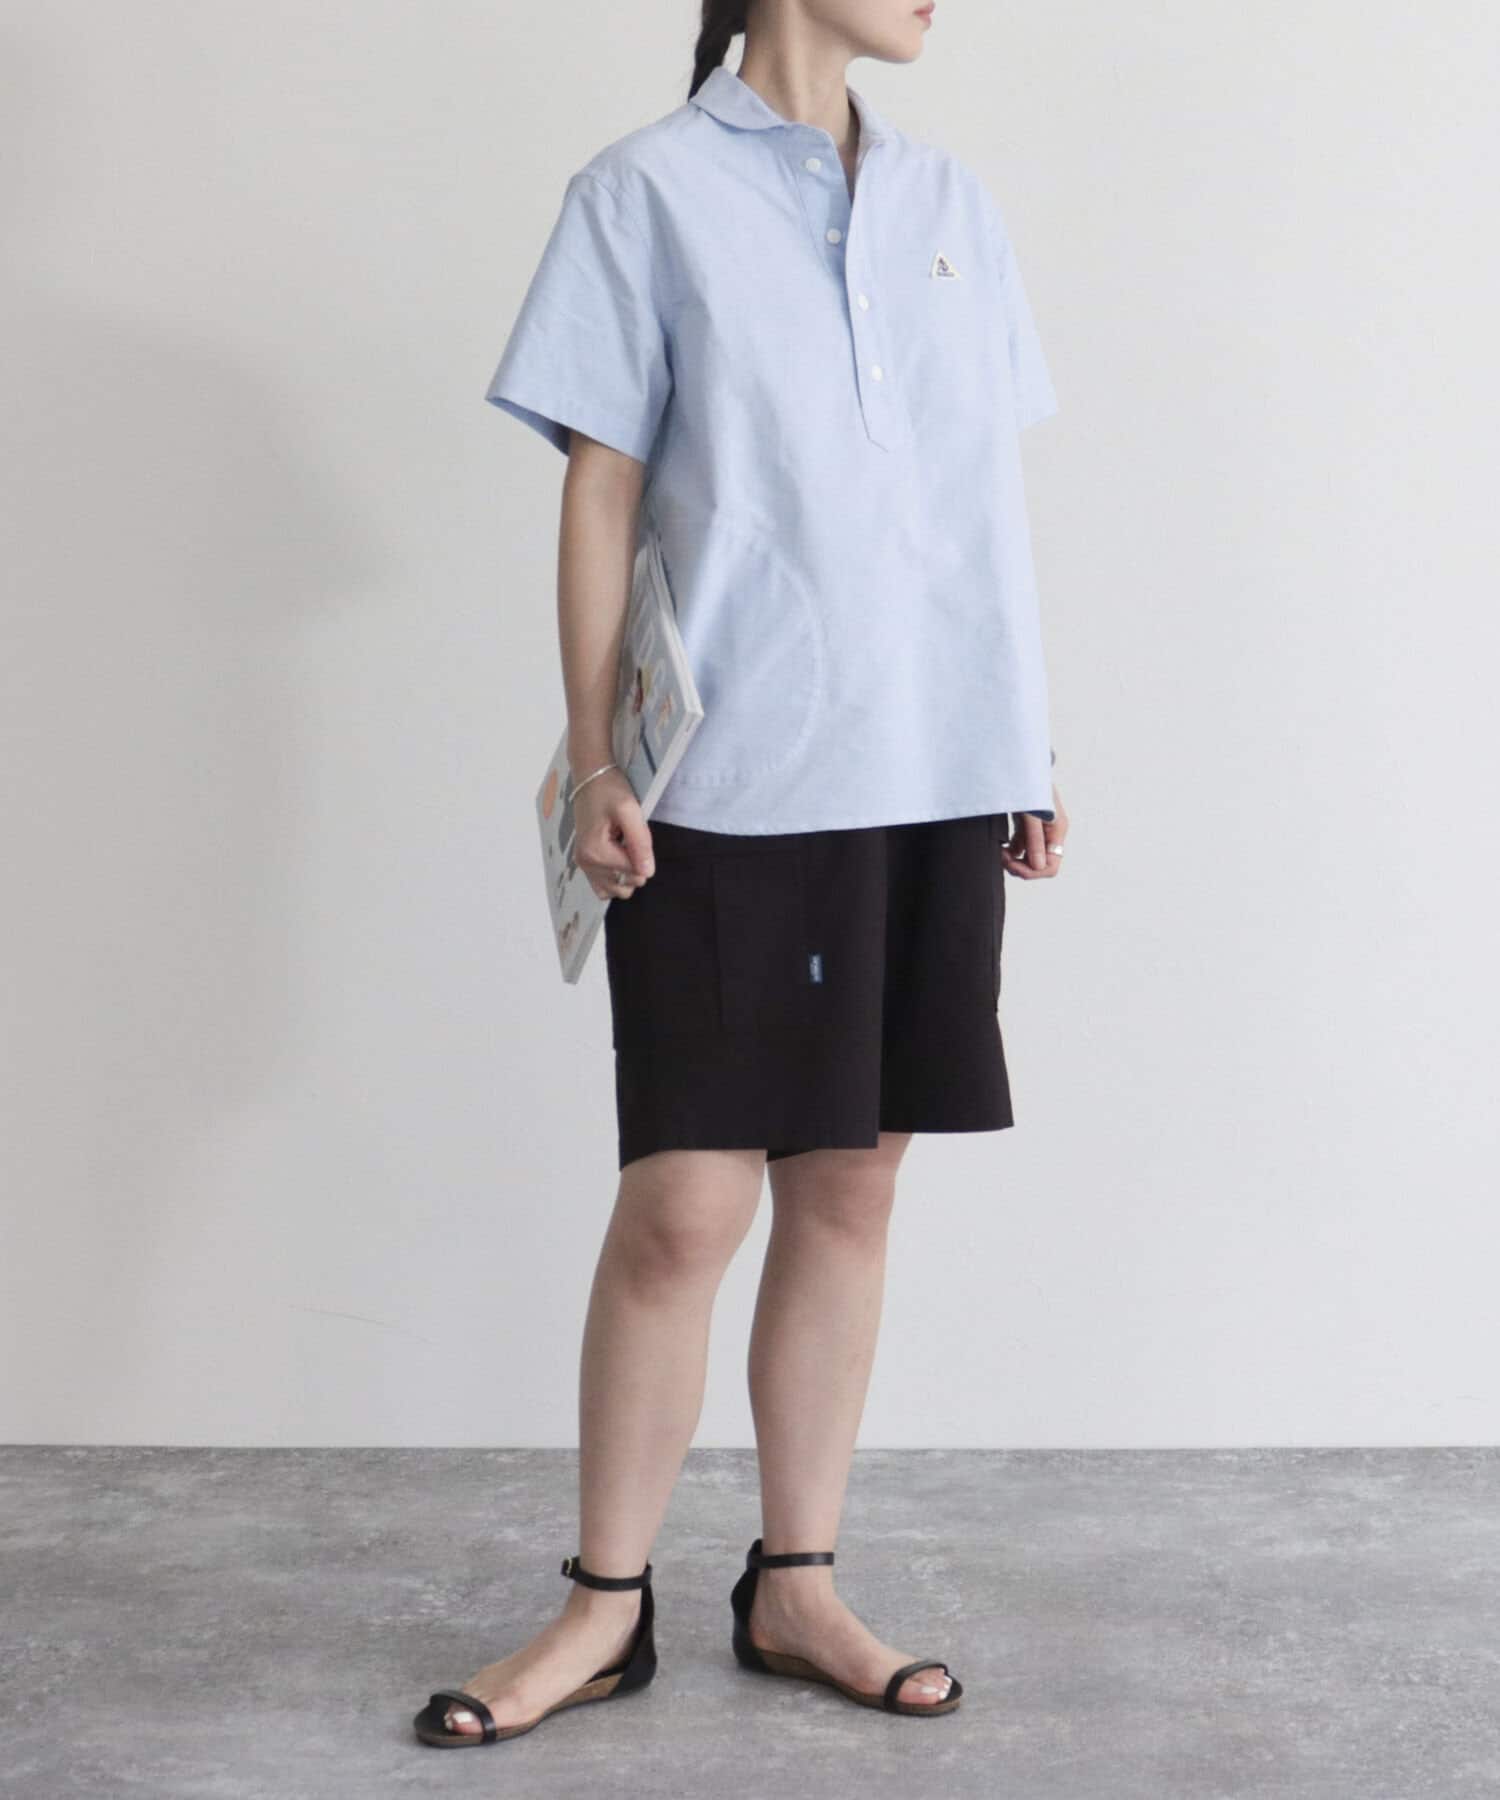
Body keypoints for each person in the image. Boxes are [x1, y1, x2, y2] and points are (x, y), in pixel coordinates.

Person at [412, 0, 1068, 1749]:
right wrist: (595, 754)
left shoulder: (952, 206)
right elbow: (601, 490)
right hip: (728, 776)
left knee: (850, 1189)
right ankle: (601, 1606)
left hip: (930, 770)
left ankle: (797, 1584)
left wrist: (1021, 744)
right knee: (687, 1207)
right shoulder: (642, 193)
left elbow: (975, 503)